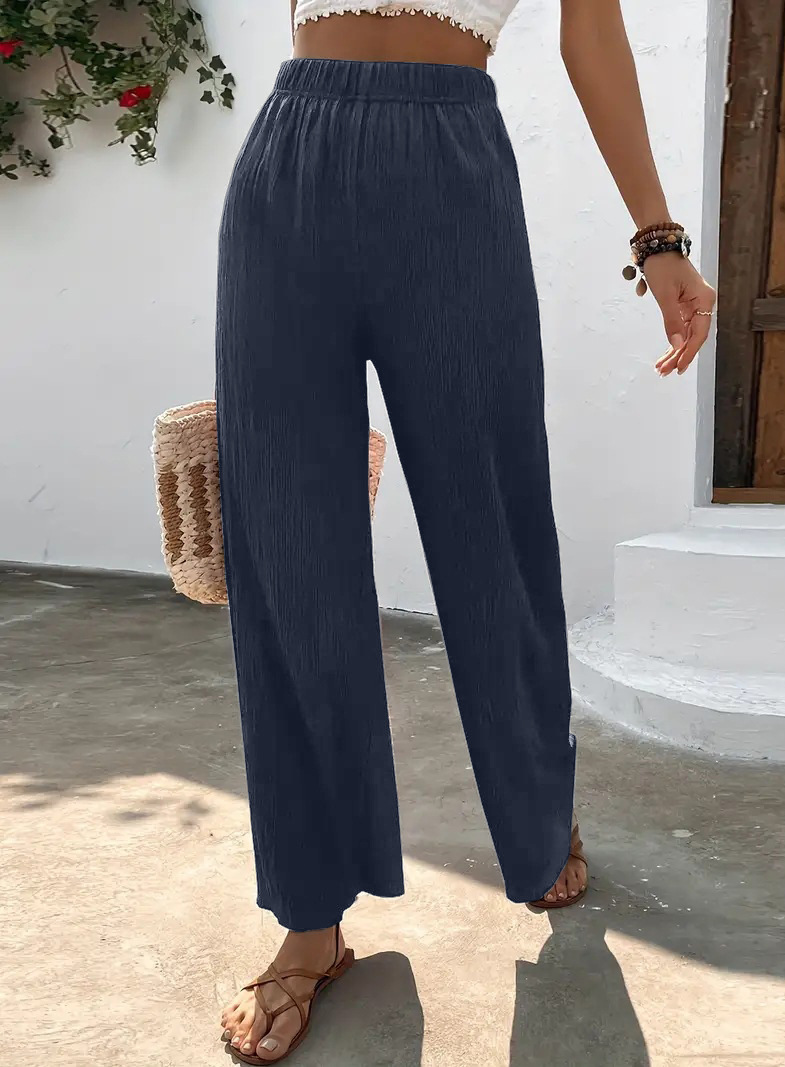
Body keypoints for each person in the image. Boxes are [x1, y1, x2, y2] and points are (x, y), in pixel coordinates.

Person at [215, 0, 716, 1062]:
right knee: (291, 557)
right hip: (289, 162)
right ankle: (310, 916)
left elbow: (591, 30)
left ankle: (536, 812)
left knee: (495, 527)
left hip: (451, 167)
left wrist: (659, 235)